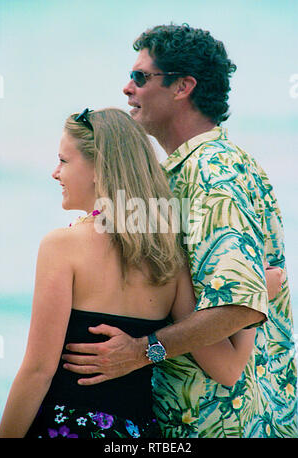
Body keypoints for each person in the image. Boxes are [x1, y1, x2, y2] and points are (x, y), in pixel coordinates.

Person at [61, 25, 298, 438]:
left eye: (140, 77)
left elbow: (239, 306)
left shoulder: (214, 172)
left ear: (183, 86)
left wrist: (140, 351)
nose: (127, 88)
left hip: (229, 425)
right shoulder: (182, 171)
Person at [0, 108, 278, 439]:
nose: (55, 172)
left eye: (64, 160)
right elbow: (228, 369)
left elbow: (37, 372)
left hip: (66, 428)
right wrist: (255, 295)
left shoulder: (61, 246)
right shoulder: (169, 258)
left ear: (99, 168)